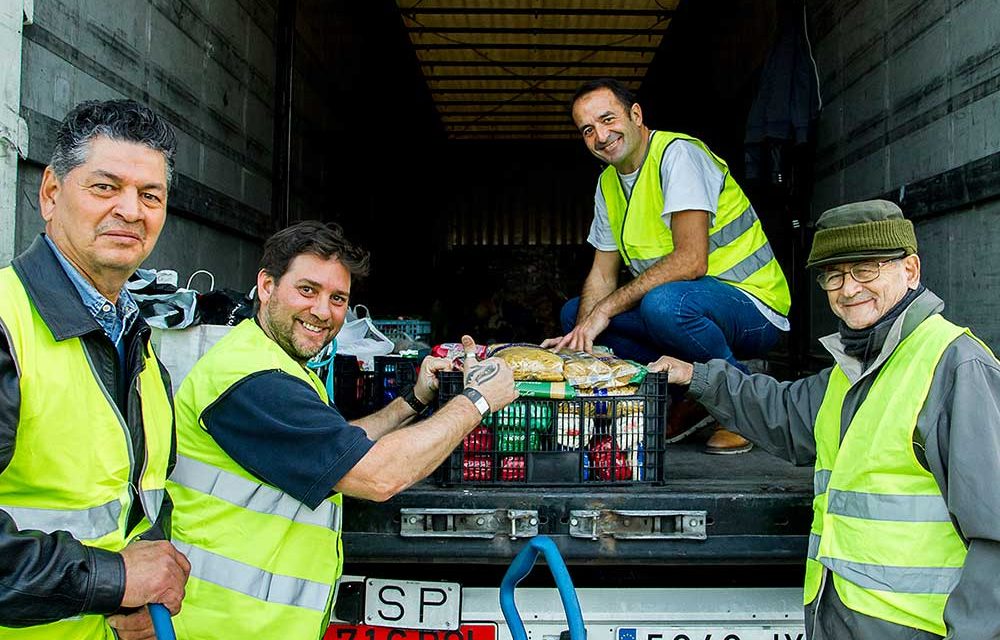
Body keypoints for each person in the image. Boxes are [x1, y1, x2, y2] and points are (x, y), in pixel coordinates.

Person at [648, 200, 1000, 639]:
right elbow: (784, 414)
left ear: (910, 270)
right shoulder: (851, 370)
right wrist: (695, 375)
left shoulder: (955, 366)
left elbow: (995, 538)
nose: (848, 289)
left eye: (865, 270)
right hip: (836, 622)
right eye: (834, 275)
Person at [167, 221, 517, 639]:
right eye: (308, 290)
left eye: (338, 299)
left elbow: (336, 447)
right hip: (226, 626)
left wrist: (415, 399)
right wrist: (477, 400)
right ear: (265, 285)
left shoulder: (274, 362)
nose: (323, 312)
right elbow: (377, 475)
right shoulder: (250, 380)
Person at [0, 100, 191, 638]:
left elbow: (140, 500)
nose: (132, 211)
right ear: (51, 193)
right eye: (105, 187)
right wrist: (116, 581)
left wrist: (138, 599)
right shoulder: (6, 325)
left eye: (150, 195)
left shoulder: (142, 346)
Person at [542, 78, 791, 454]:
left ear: (636, 115)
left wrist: (605, 310)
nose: (601, 135)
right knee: (575, 315)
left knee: (663, 306)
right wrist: (581, 339)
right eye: (588, 130)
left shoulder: (678, 155)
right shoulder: (608, 184)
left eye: (608, 119)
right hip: (686, 308)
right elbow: (603, 274)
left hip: (754, 307)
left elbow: (692, 260)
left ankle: (744, 407)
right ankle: (683, 395)